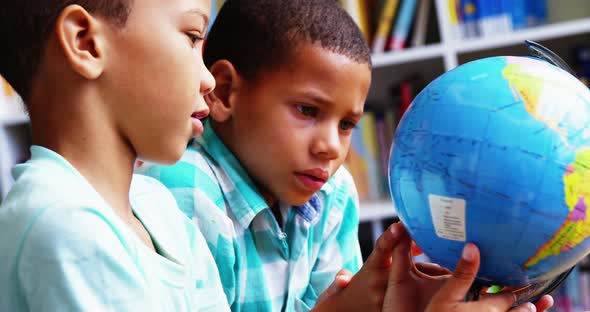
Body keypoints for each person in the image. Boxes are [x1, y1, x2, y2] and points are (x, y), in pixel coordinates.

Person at [137, 0, 553, 311]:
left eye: (347, 125)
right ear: (225, 92)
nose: (331, 148)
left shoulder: (332, 194)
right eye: (307, 111)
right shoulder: (183, 195)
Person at [0, 0, 231, 310]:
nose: (209, 80)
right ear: (86, 43)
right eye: (191, 36)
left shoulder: (158, 207)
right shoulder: (66, 228)